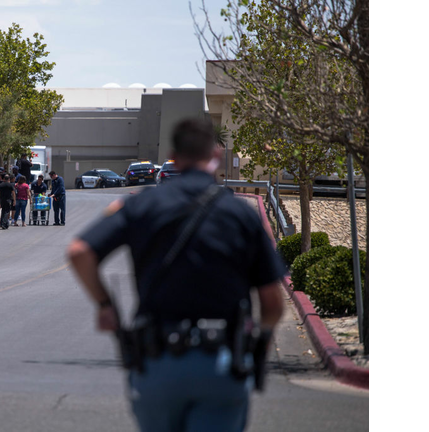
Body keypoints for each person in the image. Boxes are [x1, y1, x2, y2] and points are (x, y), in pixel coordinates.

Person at [67, 118, 286, 432]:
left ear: (173, 155)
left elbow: (80, 252)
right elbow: (273, 302)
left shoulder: (143, 205)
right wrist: (260, 342)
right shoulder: (241, 215)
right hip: (221, 365)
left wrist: (105, 305)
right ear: (216, 153)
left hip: (158, 362)